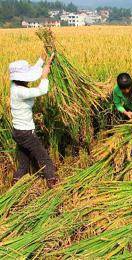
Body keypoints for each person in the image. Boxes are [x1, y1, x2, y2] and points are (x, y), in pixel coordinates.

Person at [10, 53, 59, 188]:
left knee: (24, 163)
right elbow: (42, 90)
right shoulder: (20, 92)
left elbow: (29, 73)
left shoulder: (14, 86)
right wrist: (45, 74)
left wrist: (41, 61)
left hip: (17, 132)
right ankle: (52, 182)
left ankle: (15, 184)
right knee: (45, 159)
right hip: (26, 133)